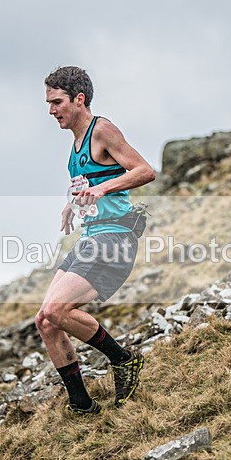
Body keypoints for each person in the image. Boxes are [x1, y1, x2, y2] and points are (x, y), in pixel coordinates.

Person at [38, 66, 156, 414]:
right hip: (92, 236)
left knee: (56, 309)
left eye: (57, 102)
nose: (51, 110)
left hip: (114, 237)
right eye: (48, 103)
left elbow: (145, 171)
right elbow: (89, 184)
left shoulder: (101, 130)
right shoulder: (75, 146)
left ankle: (124, 360)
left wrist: (101, 188)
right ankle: (81, 404)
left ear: (79, 99)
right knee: (45, 321)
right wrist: (71, 204)